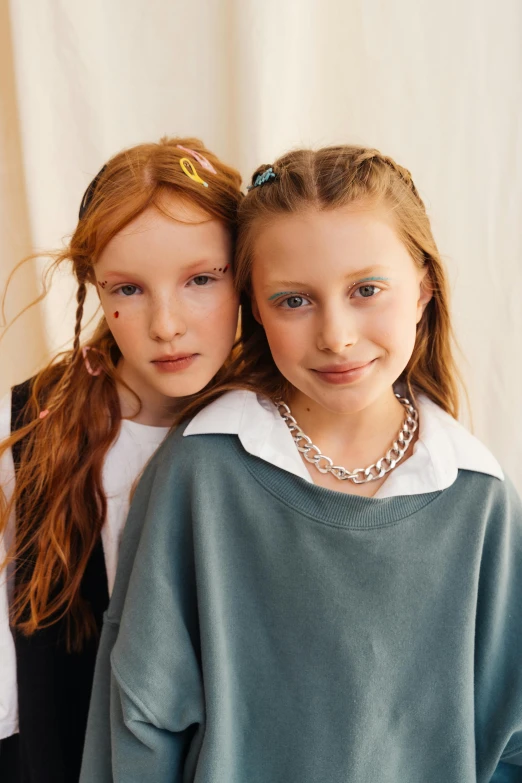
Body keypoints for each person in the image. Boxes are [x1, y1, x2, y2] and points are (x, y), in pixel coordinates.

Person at [81, 145, 522, 782]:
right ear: (253, 307)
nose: (336, 335)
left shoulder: (479, 498)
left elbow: (508, 743)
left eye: (367, 289)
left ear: (423, 289)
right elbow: (140, 716)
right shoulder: (202, 470)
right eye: (294, 300)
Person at [0, 136, 242, 783]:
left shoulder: (275, 430)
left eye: (200, 279)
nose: (166, 323)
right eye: (129, 288)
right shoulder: (26, 432)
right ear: (93, 286)